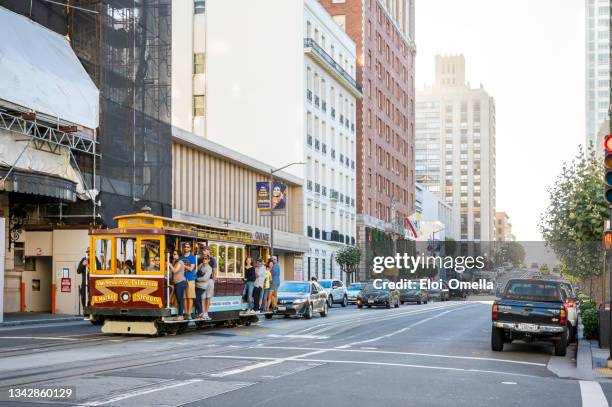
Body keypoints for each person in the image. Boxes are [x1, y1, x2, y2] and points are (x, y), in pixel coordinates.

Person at [180, 243, 197, 319]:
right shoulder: (181, 257)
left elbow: (191, 268)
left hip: (190, 279)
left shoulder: (192, 257)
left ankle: (189, 313)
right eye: (185, 247)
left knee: (190, 297)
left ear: (190, 248)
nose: (186, 248)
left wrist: (183, 266)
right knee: (184, 297)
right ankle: (186, 313)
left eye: (187, 247)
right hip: (182, 279)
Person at [170, 250, 187, 320]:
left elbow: (175, 270)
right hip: (177, 282)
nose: (173, 255)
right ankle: (180, 315)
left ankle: (181, 315)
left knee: (180, 299)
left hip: (180, 282)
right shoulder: (176, 262)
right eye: (173, 254)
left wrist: (170, 265)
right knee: (178, 298)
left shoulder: (180, 262)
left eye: (174, 254)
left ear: (178, 255)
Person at [196, 255, 213, 320]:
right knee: (202, 298)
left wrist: (196, 279)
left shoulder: (209, 268)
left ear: (208, 260)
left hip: (205, 284)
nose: (204, 260)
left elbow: (205, 278)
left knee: (207, 297)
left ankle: (205, 312)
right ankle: (202, 312)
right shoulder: (200, 265)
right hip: (199, 284)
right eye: (203, 258)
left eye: (206, 259)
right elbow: (196, 272)